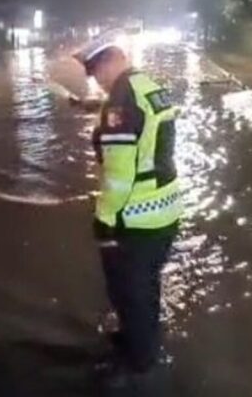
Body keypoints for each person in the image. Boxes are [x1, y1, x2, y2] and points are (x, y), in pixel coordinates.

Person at [77, 42, 181, 387]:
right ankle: (141, 340)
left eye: (94, 72)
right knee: (145, 286)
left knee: (127, 290)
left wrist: (105, 219)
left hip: (134, 218)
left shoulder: (120, 101)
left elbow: (120, 173)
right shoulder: (149, 86)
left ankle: (138, 362)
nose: (95, 80)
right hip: (164, 210)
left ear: (110, 62)